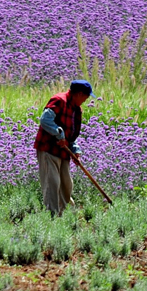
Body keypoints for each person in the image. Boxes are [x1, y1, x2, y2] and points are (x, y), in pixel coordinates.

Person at [33, 80, 92, 216]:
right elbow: (45, 120)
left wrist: (76, 150)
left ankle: (65, 213)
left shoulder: (77, 110)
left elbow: (71, 136)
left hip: (64, 150)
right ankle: (52, 215)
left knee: (66, 183)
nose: (86, 100)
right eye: (86, 97)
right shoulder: (59, 101)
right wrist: (59, 134)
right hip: (49, 148)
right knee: (52, 182)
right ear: (79, 94)